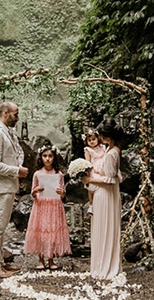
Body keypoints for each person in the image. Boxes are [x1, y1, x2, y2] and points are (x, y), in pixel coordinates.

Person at [0, 101, 29, 279]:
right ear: (4, 113)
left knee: (1, 227)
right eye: (15, 114)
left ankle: (0, 261)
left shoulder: (6, 130)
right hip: (0, 186)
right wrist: (17, 171)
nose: (17, 118)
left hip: (7, 186)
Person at [81, 119, 123, 279]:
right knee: (101, 228)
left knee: (105, 228)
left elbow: (112, 179)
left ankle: (106, 267)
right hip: (103, 193)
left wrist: (90, 180)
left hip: (106, 194)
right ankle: (101, 264)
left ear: (107, 136)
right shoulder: (110, 151)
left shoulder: (112, 153)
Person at [24, 144, 72, 270]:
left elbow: (62, 193)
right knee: (41, 231)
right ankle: (40, 259)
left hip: (54, 206)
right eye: (45, 156)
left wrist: (62, 193)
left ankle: (51, 259)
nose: (47, 159)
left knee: (52, 232)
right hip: (41, 206)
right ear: (41, 157)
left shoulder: (59, 174)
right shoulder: (37, 174)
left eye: (50, 156)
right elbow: (32, 193)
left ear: (54, 158)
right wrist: (36, 190)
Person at [83, 129, 106, 216]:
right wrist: (90, 169)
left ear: (98, 138)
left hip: (103, 165)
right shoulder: (88, 150)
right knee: (91, 185)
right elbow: (88, 161)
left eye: (93, 139)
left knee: (103, 182)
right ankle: (91, 204)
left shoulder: (102, 147)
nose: (92, 141)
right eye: (89, 140)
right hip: (94, 167)